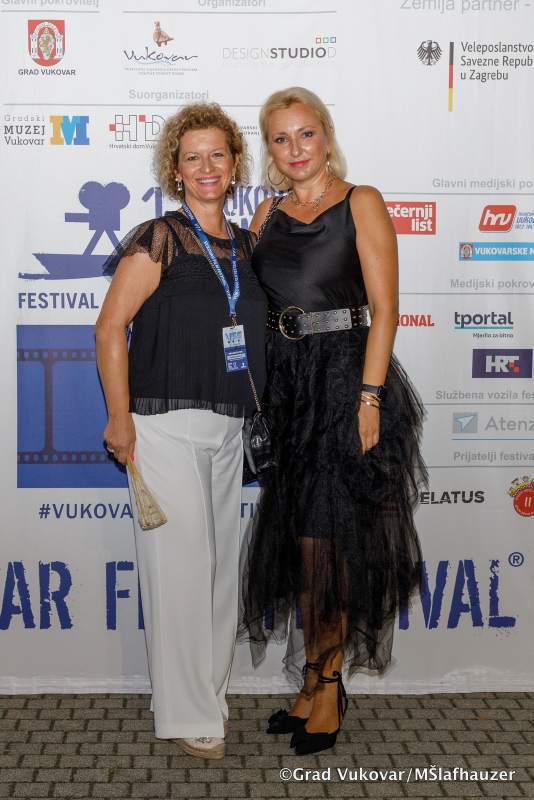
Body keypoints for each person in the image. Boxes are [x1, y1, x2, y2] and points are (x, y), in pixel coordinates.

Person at [239, 87, 427, 756]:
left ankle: (326, 684)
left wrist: (369, 397)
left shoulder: (360, 202)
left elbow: (385, 308)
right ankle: (313, 678)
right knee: (302, 542)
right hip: (288, 391)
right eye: (280, 138)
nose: (295, 149)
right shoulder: (267, 212)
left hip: (345, 382)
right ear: (270, 148)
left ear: (325, 136)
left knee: (329, 547)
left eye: (305, 134)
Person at [95, 102, 268, 759]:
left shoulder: (247, 246)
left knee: (219, 575)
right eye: (192, 157)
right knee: (181, 573)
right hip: (161, 427)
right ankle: (185, 712)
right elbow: (109, 328)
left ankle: (207, 696)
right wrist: (119, 418)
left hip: (228, 427)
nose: (206, 166)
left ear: (235, 163)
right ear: (175, 169)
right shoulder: (159, 237)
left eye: (218, 154)